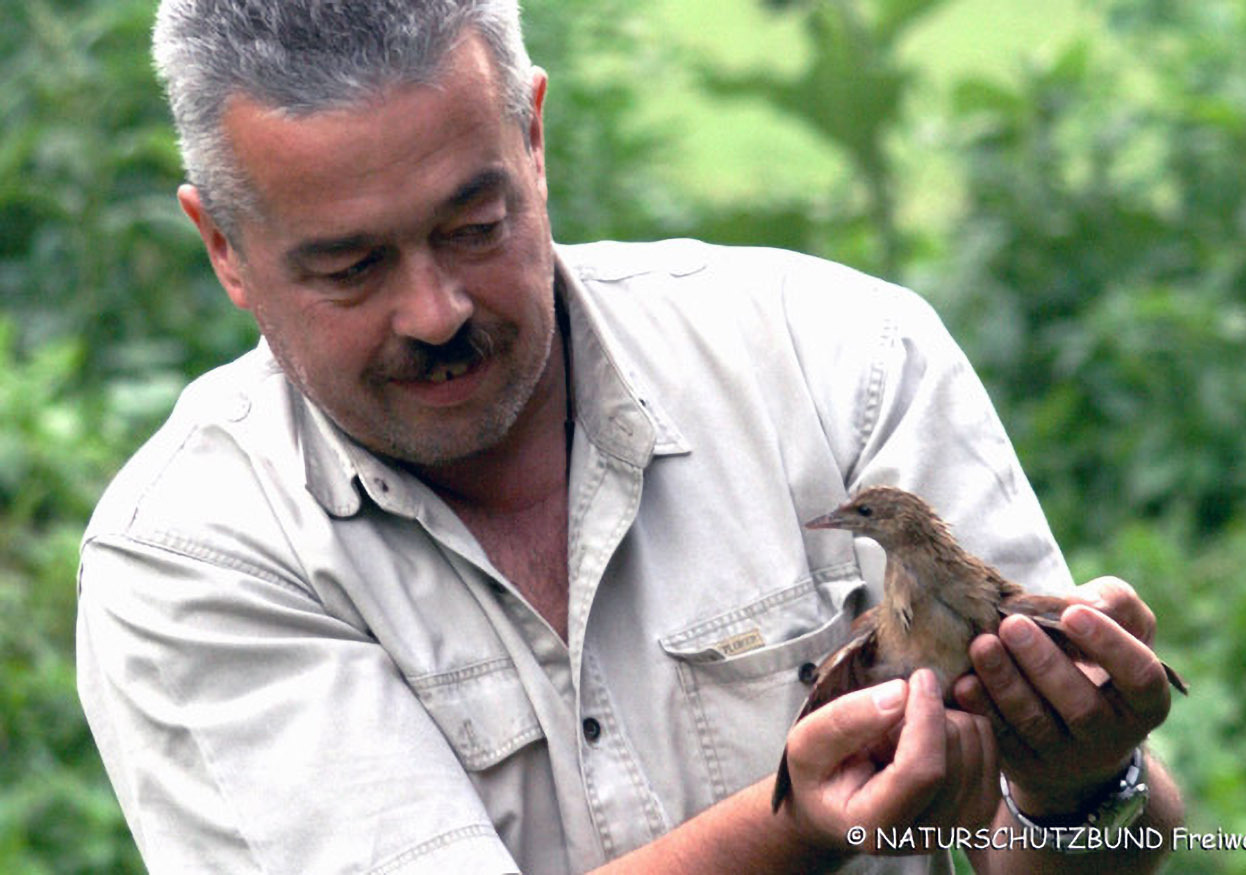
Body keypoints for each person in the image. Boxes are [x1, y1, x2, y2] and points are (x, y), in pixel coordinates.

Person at [76, 1, 1184, 872]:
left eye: (474, 226)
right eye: (351, 267)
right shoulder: (192, 552)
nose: (436, 312)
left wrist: (1079, 787)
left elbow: (1090, 839)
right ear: (223, 247)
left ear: (533, 138)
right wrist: (790, 826)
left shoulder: (838, 357)